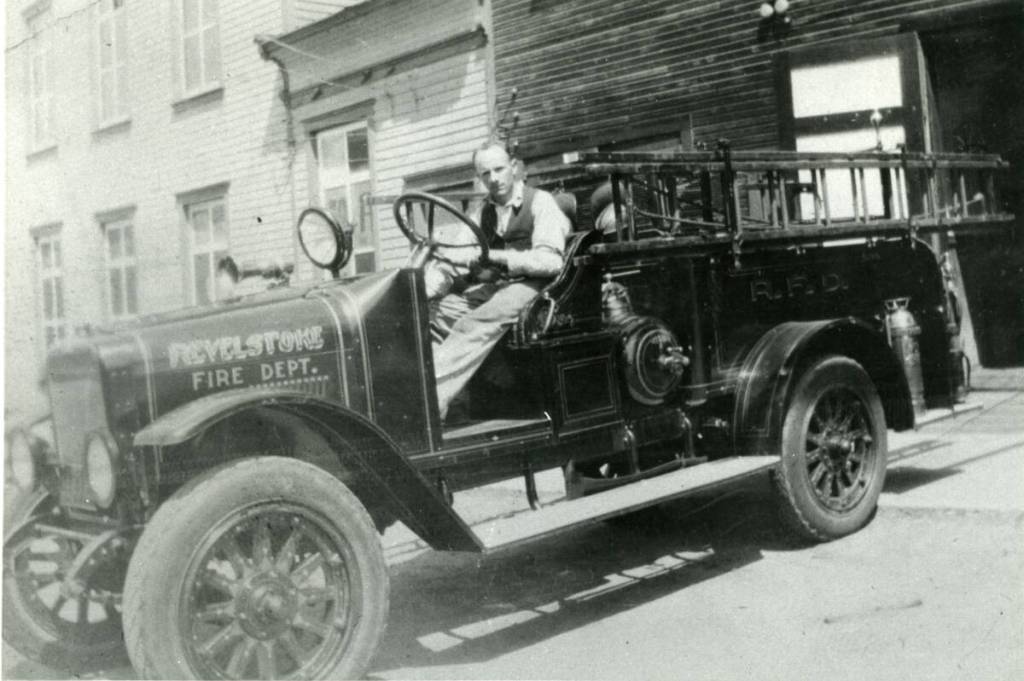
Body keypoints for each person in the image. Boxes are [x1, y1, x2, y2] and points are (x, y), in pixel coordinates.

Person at [425, 142, 571, 420]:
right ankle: (459, 405)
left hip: (536, 285)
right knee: (438, 312)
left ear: (513, 168)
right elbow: (458, 253)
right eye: (485, 174)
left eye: (499, 169)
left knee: (474, 322)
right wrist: (427, 287)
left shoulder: (540, 202)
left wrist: (497, 257)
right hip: (498, 287)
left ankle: (430, 399)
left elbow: (552, 262)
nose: (494, 179)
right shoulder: (482, 212)